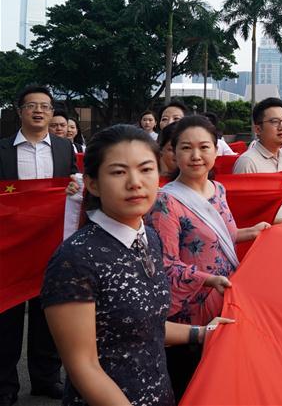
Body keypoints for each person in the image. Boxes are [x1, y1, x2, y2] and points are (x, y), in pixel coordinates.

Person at [41, 124, 231, 406]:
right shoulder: (75, 259)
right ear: (92, 183)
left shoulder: (150, 239)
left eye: (145, 169)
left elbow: (145, 325)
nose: (135, 182)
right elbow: (83, 366)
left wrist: (204, 333)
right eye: (118, 172)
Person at [147, 116, 268, 399]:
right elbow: (166, 264)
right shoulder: (165, 201)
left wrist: (253, 231)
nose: (196, 156)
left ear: (216, 150)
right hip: (190, 310)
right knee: (191, 384)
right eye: (186, 148)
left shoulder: (219, 190)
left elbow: (221, 237)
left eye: (204, 147)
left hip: (224, 300)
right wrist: (209, 279)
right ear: (173, 153)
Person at [0, 85, 78, 403]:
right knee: (7, 316)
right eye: (31, 105)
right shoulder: (3, 149)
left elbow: (74, 181)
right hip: (11, 247)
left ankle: (46, 378)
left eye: (44, 106)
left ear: (51, 112)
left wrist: (74, 187)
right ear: (20, 111)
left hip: (50, 243)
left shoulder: (63, 148)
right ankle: (5, 386)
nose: (38, 110)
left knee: (49, 314)